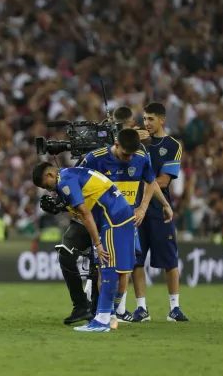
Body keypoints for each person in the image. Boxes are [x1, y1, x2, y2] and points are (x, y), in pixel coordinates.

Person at [80, 128, 173, 327]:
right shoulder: (95, 158)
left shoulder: (140, 157)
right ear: (116, 144)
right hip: (103, 221)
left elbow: (151, 182)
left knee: (125, 271)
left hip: (128, 222)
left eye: (131, 154)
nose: (127, 158)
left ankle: (114, 312)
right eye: (124, 154)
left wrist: (143, 207)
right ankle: (106, 312)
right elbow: (78, 181)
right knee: (105, 268)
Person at [32, 162, 135, 333]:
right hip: (120, 212)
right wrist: (63, 206)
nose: (49, 190)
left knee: (107, 266)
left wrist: (98, 243)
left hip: (111, 217)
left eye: (46, 185)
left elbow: (85, 214)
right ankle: (108, 315)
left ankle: (102, 320)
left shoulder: (64, 181)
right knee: (113, 268)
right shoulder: (70, 173)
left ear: (50, 175)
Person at [131, 102, 189, 322]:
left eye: (151, 119)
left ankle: (174, 308)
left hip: (157, 207)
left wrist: (146, 200)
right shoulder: (135, 142)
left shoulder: (173, 145)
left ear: (162, 120)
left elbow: (164, 180)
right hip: (134, 207)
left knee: (169, 260)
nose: (146, 123)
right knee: (136, 260)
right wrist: (135, 141)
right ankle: (141, 309)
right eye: (145, 119)